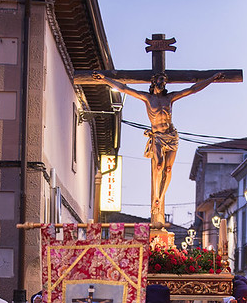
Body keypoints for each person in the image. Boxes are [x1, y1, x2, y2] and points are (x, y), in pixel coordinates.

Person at [92, 70, 224, 225]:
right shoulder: (147, 98)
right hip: (158, 137)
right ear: (154, 82)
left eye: (164, 81)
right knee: (159, 165)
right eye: (160, 80)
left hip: (171, 135)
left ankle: (160, 198)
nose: (163, 84)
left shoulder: (170, 98)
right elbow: (124, 88)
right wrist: (105, 79)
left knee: (168, 169)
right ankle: (156, 195)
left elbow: (192, 89)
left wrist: (212, 79)